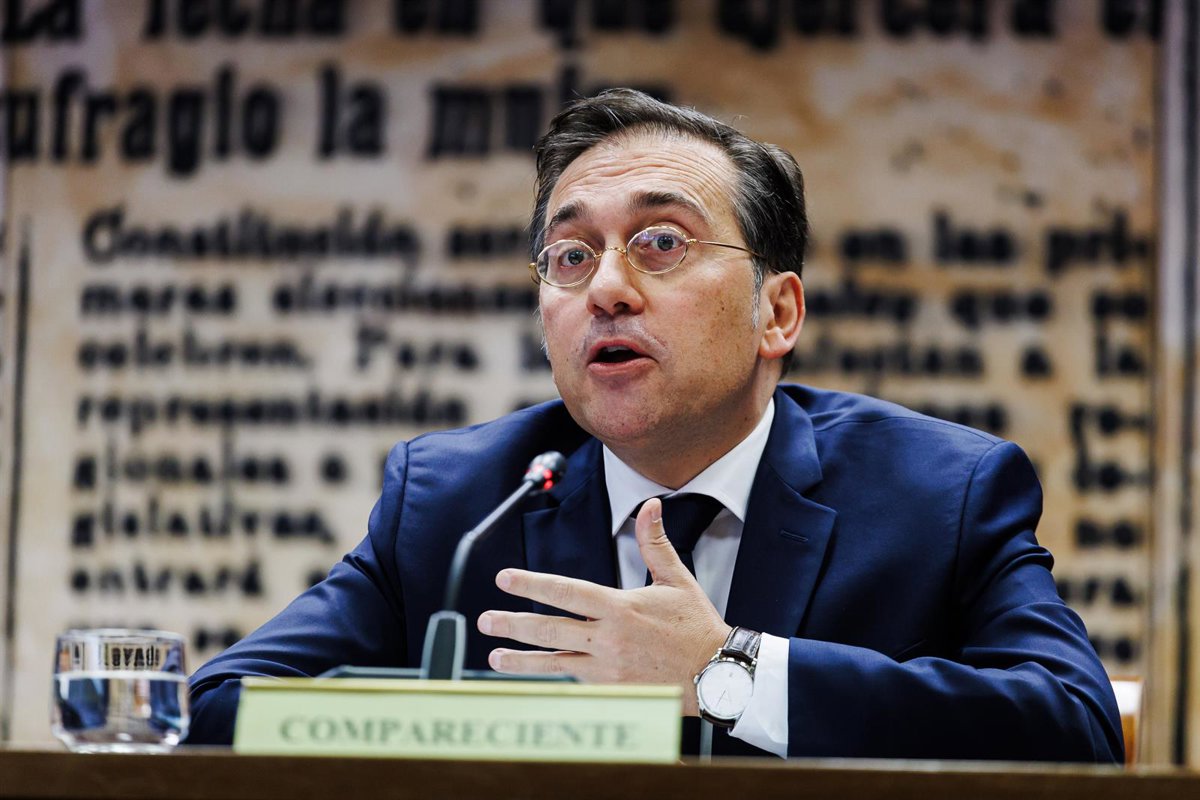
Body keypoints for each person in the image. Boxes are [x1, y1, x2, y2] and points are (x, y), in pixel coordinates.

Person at [188, 89, 1124, 761]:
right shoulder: (457, 503)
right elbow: (219, 708)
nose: (606, 288)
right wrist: (474, 728)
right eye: (569, 255)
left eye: (661, 243)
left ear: (777, 313)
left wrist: (727, 670)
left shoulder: (940, 494)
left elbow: (1076, 728)